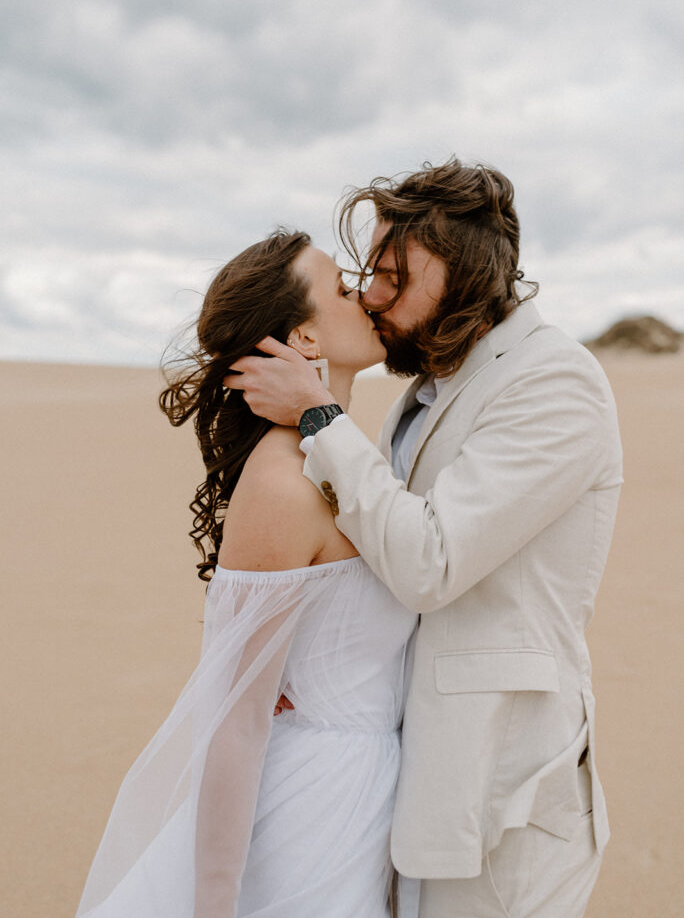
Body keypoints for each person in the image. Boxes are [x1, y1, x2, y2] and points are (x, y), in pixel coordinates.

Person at [224, 159, 624, 918]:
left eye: (395, 275)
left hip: (503, 797)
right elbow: (382, 548)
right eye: (367, 273)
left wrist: (318, 418)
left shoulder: (555, 383)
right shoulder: (424, 393)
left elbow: (430, 564)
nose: (372, 295)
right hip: (413, 783)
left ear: (468, 273)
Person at [74, 229, 418, 918]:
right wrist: (214, 905)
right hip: (307, 823)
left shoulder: (353, 461)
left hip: (365, 800)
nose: (369, 297)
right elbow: (235, 723)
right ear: (306, 339)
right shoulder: (283, 485)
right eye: (344, 291)